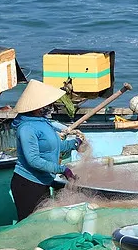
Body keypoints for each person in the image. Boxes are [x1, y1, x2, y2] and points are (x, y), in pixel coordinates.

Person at [10, 79, 83, 220]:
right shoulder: (26, 128)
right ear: (36, 107)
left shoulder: (44, 122)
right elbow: (33, 160)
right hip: (28, 184)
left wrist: (75, 144)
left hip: (43, 182)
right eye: (46, 103)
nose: (49, 106)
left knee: (42, 221)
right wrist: (62, 169)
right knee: (30, 225)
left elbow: (54, 147)